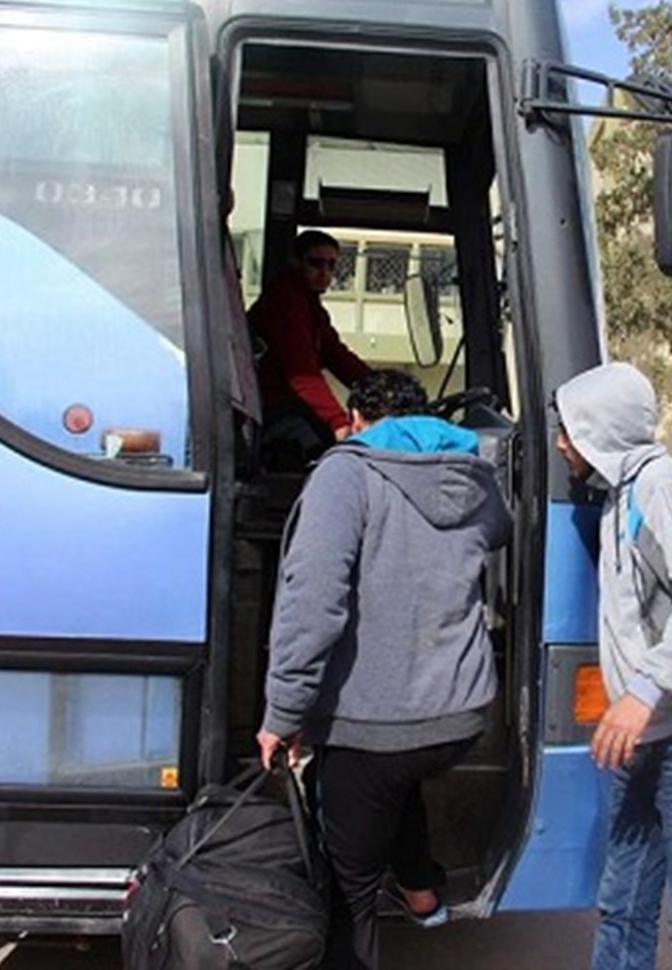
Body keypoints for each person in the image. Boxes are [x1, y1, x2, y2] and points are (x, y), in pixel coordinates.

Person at [257, 368, 512, 970]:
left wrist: (284, 713)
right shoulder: (471, 474)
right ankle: (422, 893)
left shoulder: (346, 473)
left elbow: (312, 603)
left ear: (356, 422)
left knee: (347, 894)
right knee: (393, 776)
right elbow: (498, 532)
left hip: (376, 715)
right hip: (458, 712)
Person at [552, 362, 672, 970]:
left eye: (571, 430)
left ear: (602, 429)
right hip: (644, 745)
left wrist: (643, 691)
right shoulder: (621, 494)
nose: (561, 444)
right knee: (623, 907)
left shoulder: (661, 491)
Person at [248, 229, 370, 469]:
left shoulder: (309, 305)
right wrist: (338, 423)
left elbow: (336, 356)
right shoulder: (286, 302)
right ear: (296, 262)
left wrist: (382, 387)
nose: (325, 272)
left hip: (288, 407)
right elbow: (302, 374)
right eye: (316, 263)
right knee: (330, 461)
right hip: (272, 409)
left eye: (331, 265)